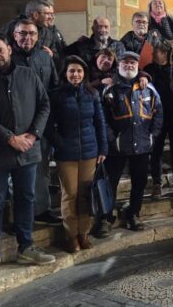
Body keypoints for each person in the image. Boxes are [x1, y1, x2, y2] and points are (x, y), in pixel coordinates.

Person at [0, 32, 54, 280]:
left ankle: (26, 247)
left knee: (26, 198)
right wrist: (9, 138)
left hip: (28, 149)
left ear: (9, 50)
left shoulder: (28, 74)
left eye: (0, 50)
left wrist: (33, 135)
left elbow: (44, 105)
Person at [45, 56, 108, 253]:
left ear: (84, 73)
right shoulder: (56, 95)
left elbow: (100, 122)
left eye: (79, 71)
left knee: (85, 194)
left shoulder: (92, 94)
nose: (75, 74)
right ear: (65, 73)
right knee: (69, 194)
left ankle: (84, 233)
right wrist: (59, 143)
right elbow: (48, 126)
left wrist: (103, 148)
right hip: (66, 154)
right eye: (71, 71)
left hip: (90, 152)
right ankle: (71, 235)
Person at [101, 51, 163, 231]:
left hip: (142, 145)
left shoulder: (148, 88)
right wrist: (112, 138)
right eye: (125, 62)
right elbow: (102, 117)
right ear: (119, 65)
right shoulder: (110, 89)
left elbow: (158, 112)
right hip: (117, 146)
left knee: (139, 182)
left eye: (132, 63)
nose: (129, 65)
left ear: (137, 66)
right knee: (111, 182)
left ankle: (133, 214)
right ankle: (106, 218)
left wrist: (152, 135)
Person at [11, 19, 60, 227]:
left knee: (42, 169)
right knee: (17, 174)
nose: (27, 37)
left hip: (43, 123)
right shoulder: (8, 58)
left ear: (37, 36)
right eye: (23, 33)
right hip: (18, 125)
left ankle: (41, 209)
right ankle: (19, 218)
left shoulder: (44, 57)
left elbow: (54, 86)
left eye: (31, 33)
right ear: (15, 36)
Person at [144, 40, 173, 198]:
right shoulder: (150, 70)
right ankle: (157, 183)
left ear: (166, 54)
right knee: (156, 150)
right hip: (156, 116)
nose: (154, 53)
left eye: (158, 51)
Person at [4, 0, 67, 70]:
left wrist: (52, 55)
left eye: (52, 14)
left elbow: (59, 55)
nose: (52, 17)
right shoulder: (12, 28)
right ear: (35, 15)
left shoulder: (50, 31)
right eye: (48, 14)